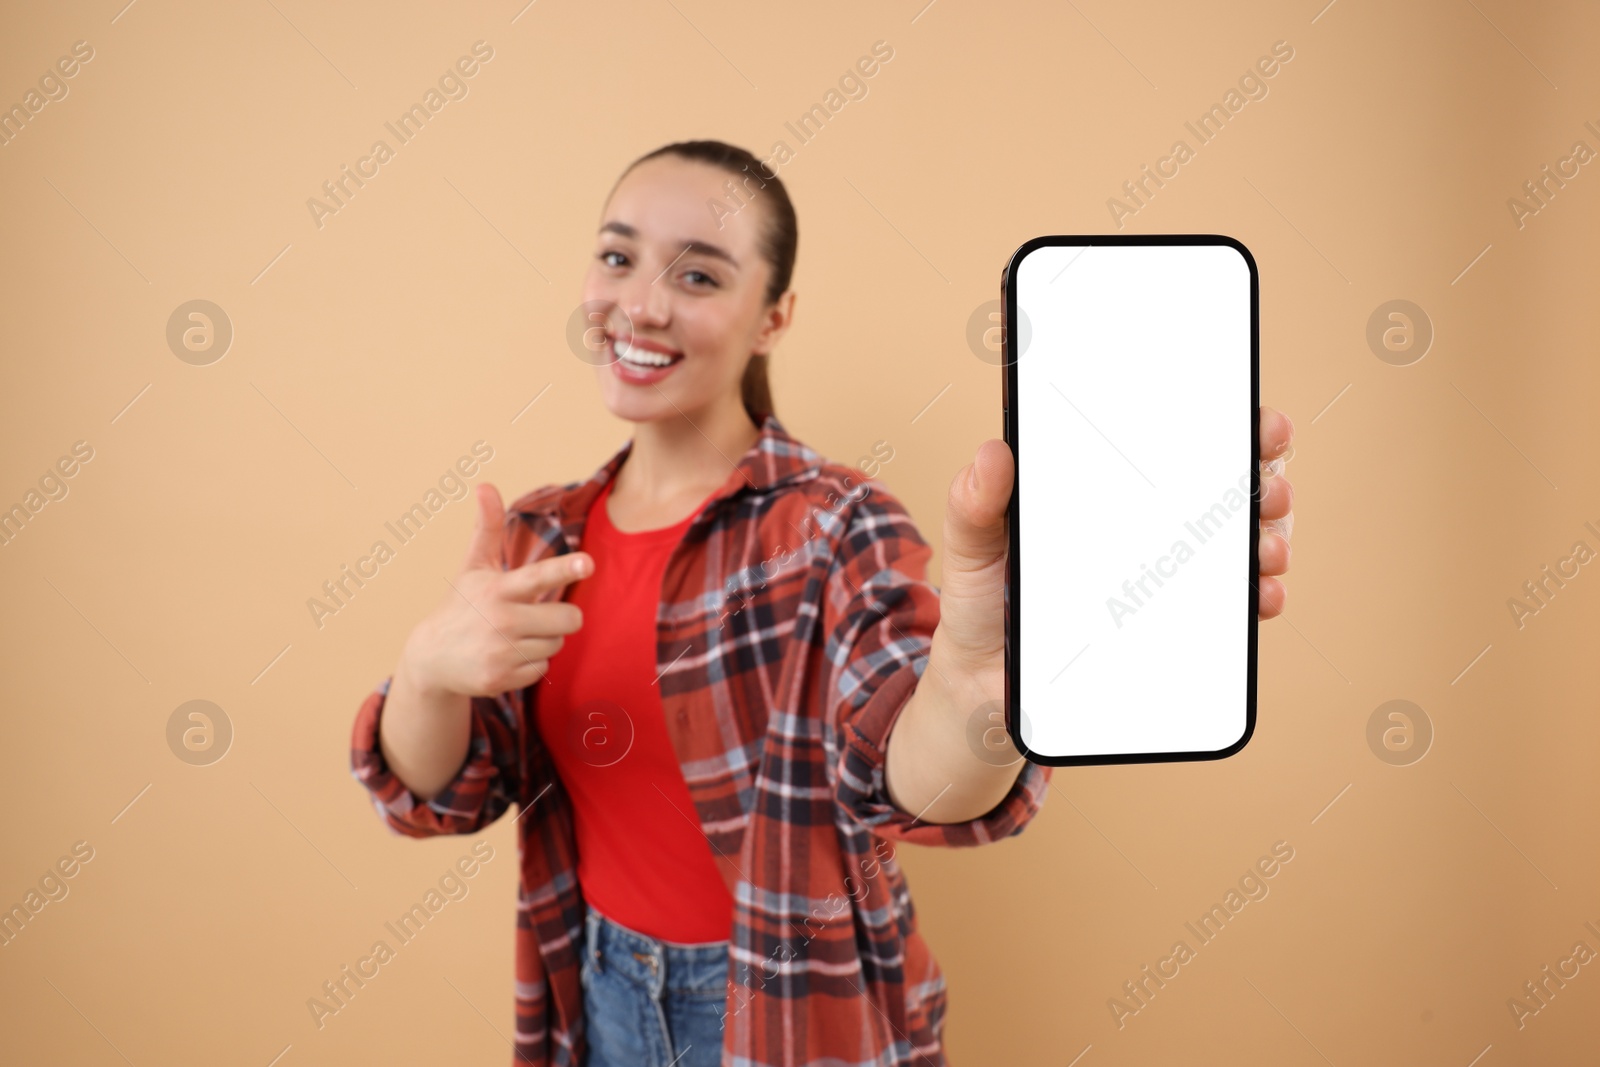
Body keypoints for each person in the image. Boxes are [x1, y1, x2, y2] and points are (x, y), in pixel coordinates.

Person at [349, 139, 1297, 1067]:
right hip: (594, 996)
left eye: (701, 276)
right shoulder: (540, 534)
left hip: (793, 1017)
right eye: (617, 255)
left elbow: (911, 782)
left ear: (774, 315)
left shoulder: (839, 527)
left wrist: (972, 695)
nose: (639, 302)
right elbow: (439, 794)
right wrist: (429, 669)